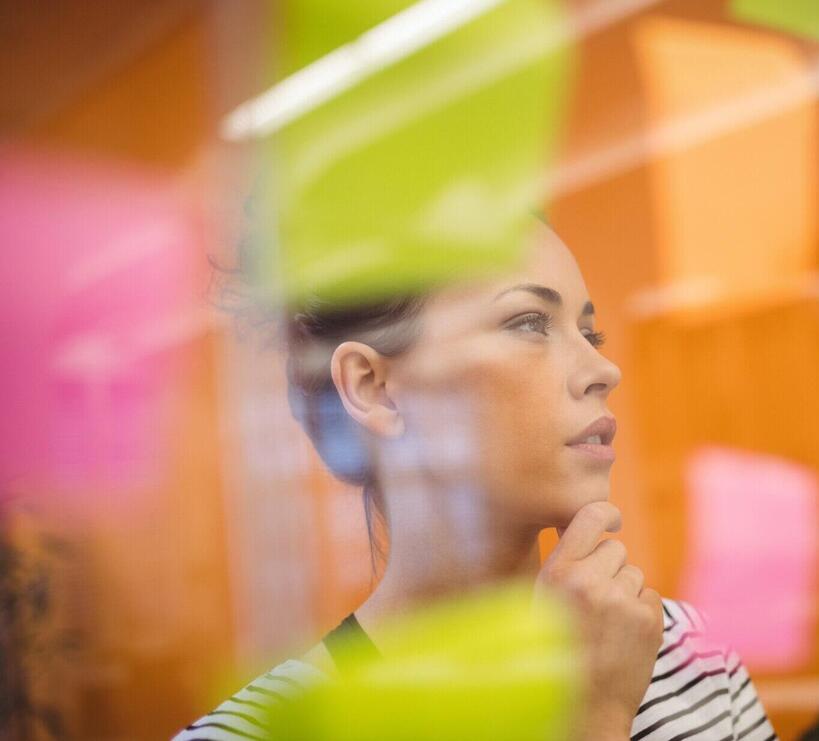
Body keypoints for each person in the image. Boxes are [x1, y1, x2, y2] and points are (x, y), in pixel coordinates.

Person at [175, 221, 777, 740]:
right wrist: (592, 718)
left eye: (588, 332)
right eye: (528, 323)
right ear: (373, 387)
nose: (603, 368)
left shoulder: (685, 653)